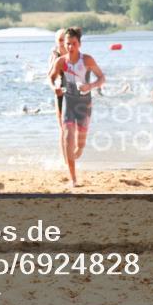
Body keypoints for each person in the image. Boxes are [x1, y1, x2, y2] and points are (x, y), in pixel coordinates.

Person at [48, 27, 105, 188]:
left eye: (73, 44)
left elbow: (102, 77)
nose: (70, 47)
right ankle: (73, 179)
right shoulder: (60, 61)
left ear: (79, 44)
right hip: (68, 101)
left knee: (80, 142)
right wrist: (55, 88)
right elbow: (51, 78)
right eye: (68, 44)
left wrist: (90, 86)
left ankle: (80, 147)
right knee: (67, 136)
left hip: (84, 103)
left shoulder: (87, 60)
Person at [47, 28, 67, 128]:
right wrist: (54, 88)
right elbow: (49, 75)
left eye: (64, 39)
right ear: (56, 41)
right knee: (62, 127)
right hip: (60, 90)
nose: (62, 42)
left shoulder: (73, 52)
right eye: (60, 40)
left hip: (75, 92)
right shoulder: (55, 55)